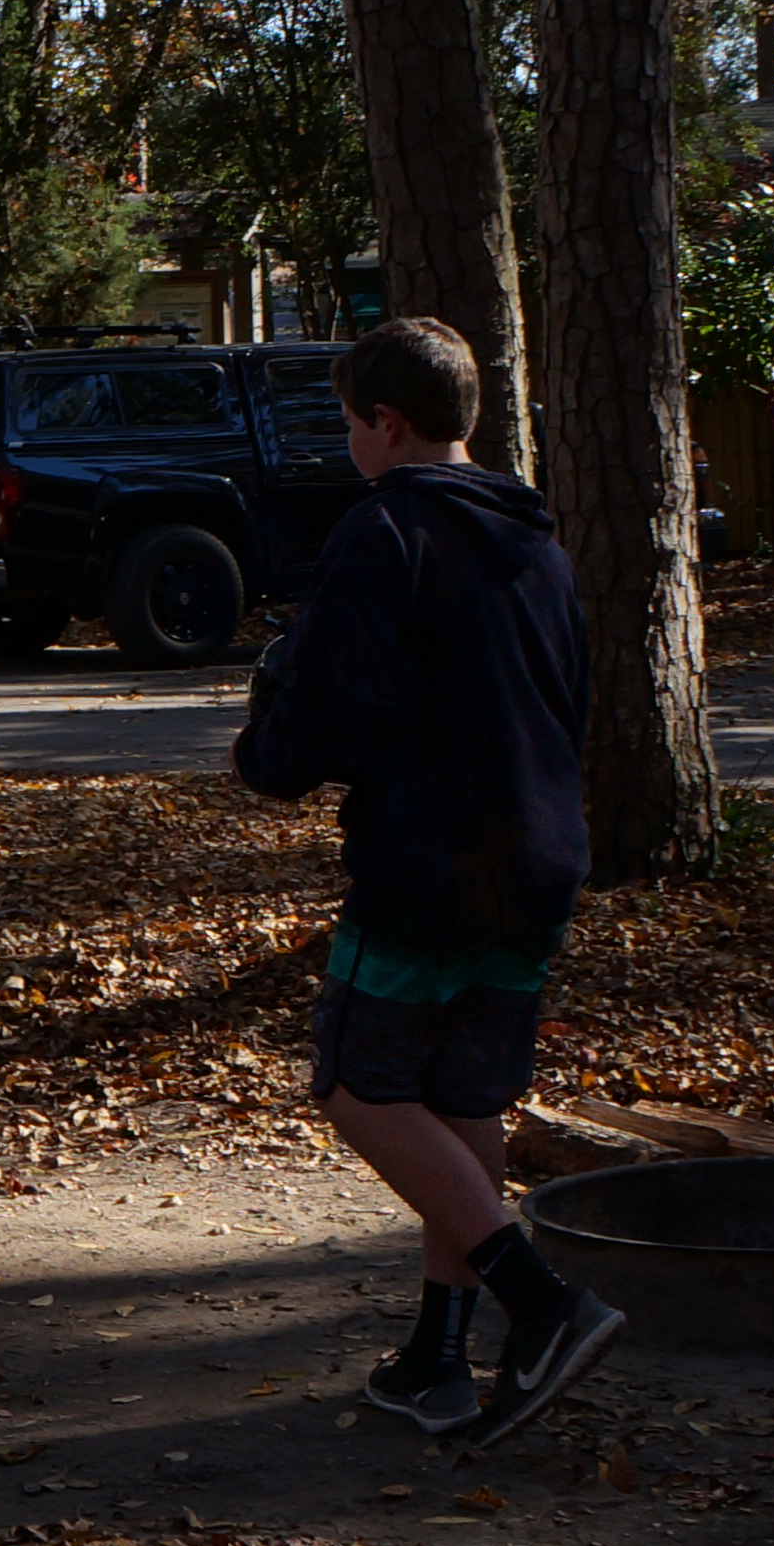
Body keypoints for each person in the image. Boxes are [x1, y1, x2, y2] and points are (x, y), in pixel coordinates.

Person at [232, 316, 628, 1447]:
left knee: (357, 1087)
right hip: (539, 859)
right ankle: (437, 1357)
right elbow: (569, 701)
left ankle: (540, 1303)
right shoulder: (535, 541)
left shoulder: (384, 531)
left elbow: (333, 709)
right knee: (462, 1105)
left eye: (349, 421)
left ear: (386, 422)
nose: (348, 441)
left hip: (426, 863)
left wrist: (264, 747)